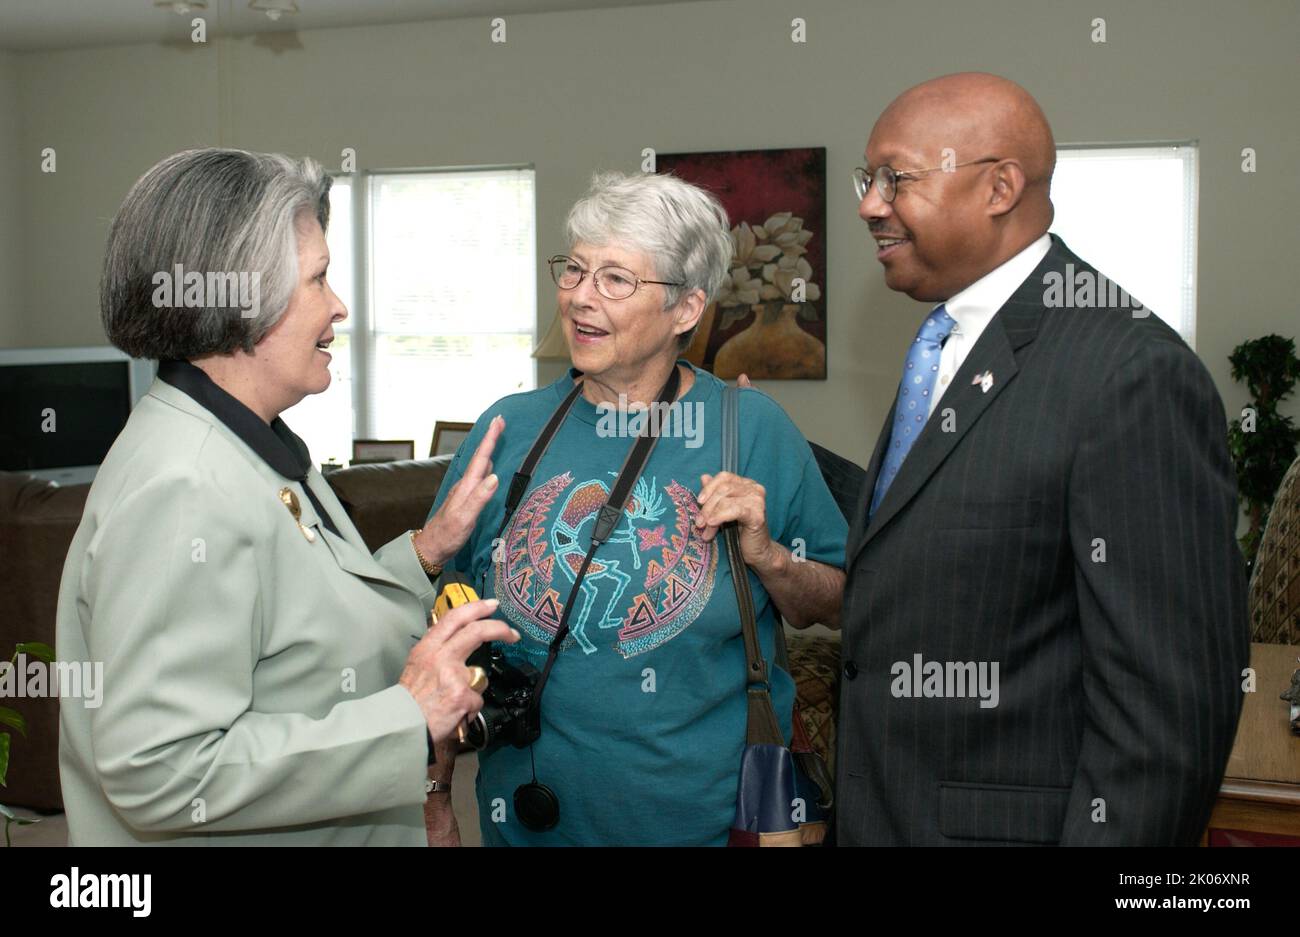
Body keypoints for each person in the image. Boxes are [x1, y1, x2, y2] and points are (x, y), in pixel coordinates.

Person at [57, 148, 517, 845]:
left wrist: (421, 552)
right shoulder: (185, 486)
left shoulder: (250, 438)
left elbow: (294, 625)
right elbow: (158, 771)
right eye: (319, 278)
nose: (339, 305)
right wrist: (409, 717)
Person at [836, 72, 1249, 845]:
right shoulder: (948, 342)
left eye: (895, 177)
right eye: (868, 178)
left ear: (999, 187)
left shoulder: (1129, 373)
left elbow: (1166, 721)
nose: (868, 203)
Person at [422, 171, 848, 846]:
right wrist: (437, 797)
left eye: (615, 279)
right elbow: (443, 631)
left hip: (703, 825)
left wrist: (770, 557)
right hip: (524, 821)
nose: (580, 298)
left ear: (685, 309)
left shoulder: (752, 429)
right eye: (576, 271)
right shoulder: (507, 429)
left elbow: (838, 600)